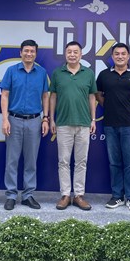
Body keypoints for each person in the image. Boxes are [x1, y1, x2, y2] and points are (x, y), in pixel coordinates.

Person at [96, 43, 130, 211]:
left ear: (128, 56)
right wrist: (109, 106)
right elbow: (98, 95)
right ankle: (117, 196)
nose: (120, 56)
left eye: (123, 54)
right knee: (114, 163)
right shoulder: (104, 75)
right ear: (112, 56)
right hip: (110, 124)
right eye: (116, 54)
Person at [0, 39, 50, 210]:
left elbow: (45, 96)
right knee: (11, 160)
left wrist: (45, 118)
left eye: (32, 51)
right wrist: (5, 119)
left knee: (31, 161)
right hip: (13, 120)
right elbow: (4, 95)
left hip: (34, 121)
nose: (29, 54)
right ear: (20, 53)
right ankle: (11, 195)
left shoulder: (41, 73)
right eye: (26, 51)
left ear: (36, 54)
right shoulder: (11, 71)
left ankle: (28, 195)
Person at [49, 41, 97, 211]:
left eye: (75, 52)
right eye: (69, 51)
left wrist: (93, 119)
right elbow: (53, 96)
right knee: (63, 161)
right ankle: (65, 195)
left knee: (81, 161)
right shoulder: (58, 73)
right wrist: (51, 119)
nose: (72, 54)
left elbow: (92, 97)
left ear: (81, 54)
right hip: (63, 123)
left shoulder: (88, 73)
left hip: (84, 123)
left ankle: (78, 195)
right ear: (65, 54)